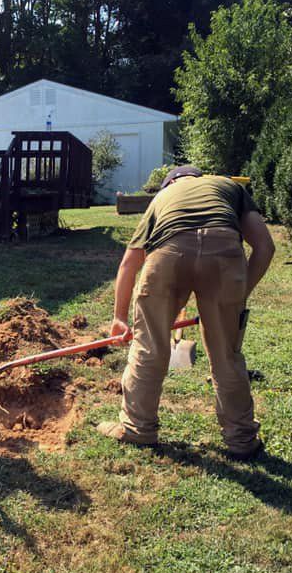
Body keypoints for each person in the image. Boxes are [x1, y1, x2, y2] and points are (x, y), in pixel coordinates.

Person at [98, 165, 276, 459]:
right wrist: (236, 296)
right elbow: (265, 246)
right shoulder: (228, 186)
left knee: (149, 346)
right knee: (226, 355)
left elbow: (130, 263)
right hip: (224, 254)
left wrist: (119, 317)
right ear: (198, 177)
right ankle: (242, 440)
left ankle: (137, 429)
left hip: (168, 254)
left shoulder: (162, 197)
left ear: (172, 181)